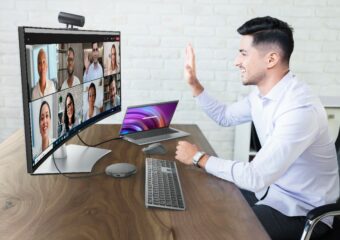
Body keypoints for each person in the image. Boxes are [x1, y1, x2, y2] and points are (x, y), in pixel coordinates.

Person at [175, 16, 339, 240]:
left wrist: (198, 158)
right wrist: (194, 84)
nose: (236, 61)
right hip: (271, 192)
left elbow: (255, 177)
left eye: (243, 53)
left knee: (216, 230)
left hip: (300, 212)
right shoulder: (262, 96)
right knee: (205, 198)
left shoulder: (300, 109)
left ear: (271, 59)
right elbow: (224, 116)